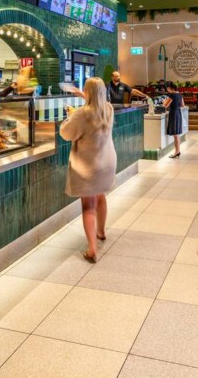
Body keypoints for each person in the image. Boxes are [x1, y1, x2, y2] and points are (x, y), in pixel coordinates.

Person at [59, 77, 117, 263]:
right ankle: (101, 231)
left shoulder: (81, 114)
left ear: (88, 92)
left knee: (88, 206)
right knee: (101, 197)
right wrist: (81, 96)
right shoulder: (108, 109)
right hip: (107, 162)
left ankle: (92, 249)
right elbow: (95, 105)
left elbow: (66, 133)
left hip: (88, 165)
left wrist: (71, 116)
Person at [163, 82, 185, 158]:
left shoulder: (172, 95)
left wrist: (164, 101)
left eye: (167, 88)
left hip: (173, 114)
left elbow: (165, 105)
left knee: (175, 135)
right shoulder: (179, 94)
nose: (167, 90)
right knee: (177, 134)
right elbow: (182, 105)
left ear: (169, 88)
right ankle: (177, 151)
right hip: (178, 113)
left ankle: (177, 152)